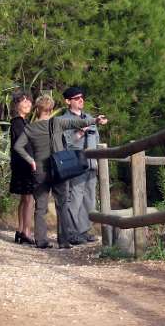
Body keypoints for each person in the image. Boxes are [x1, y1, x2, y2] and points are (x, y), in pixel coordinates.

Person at [13, 94, 108, 249]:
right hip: (59, 168)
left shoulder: (30, 128)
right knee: (62, 204)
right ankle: (63, 241)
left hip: (40, 171)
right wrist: (95, 120)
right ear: (51, 109)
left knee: (41, 207)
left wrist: (30, 160)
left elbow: (18, 147)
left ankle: (41, 241)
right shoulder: (57, 122)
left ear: (37, 109)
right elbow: (79, 122)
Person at [60, 86, 101, 244]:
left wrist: (98, 161)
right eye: (77, 98)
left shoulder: (90, 118)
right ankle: (71, 232)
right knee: (75, 199)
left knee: (89, 199)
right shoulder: (64, 120)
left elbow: (96, 140)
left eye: (82, 97)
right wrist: (80, 132)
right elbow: (66, 144)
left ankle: (83, 231)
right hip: (75, 165)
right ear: (68, 101)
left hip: (91, 164)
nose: (81, 100)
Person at [9, 90, 35, 245]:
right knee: (29, 198)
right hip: (24, 164)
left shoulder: (23, 122)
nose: (27, 104)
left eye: (29, 101)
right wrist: (31, 160)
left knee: (25, 199)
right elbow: (21, 145)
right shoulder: (18, 122)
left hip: (22, 163)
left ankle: (21, 231)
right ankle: (25, 231)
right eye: (24, 101)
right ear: (17, 104)